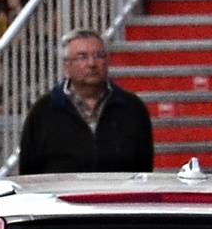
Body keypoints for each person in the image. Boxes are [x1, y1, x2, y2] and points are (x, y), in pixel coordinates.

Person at [18, 29, 153, 174]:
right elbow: (29, 171)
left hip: (117, 194)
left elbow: (143, 167)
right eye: (82, 57)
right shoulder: (43, 111)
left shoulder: (132, 107)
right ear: (66, 66)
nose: (92, 63)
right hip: (61, 195)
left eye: (99, 56)